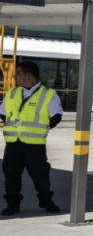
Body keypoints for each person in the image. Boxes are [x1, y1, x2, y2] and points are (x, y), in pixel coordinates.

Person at [1, 61, 63, 215]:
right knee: (11, 175)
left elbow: (56, 116)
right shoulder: (12, 93)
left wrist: (41, 129)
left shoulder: (48, 94)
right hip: (13, 143)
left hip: (34, 144)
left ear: (28, 75)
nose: (15, 77)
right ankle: (12, 204)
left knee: (40, 176)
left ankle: (45, 201)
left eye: (18, 74)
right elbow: (3, 112)